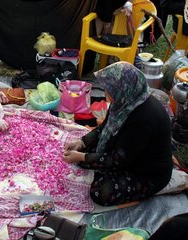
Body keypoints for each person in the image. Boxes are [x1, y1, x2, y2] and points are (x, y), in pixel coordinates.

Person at [63, 62, 173, 206]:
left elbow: (119, 159)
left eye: (109, 90)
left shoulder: (144, 119)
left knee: (100, 192)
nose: (105, 94)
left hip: (146, 172)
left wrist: (83, 157)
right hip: (127, 152)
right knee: (81, 151)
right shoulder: (125, 100)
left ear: (122, 88)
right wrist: (81, 142)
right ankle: (98, 164)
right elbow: (104, 127)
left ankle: (104, 171)